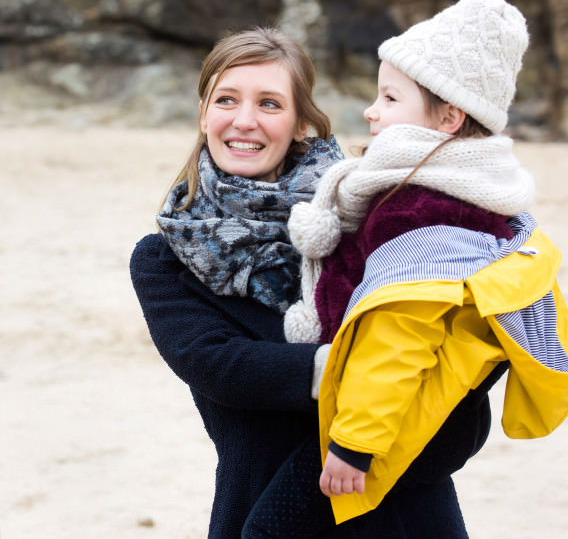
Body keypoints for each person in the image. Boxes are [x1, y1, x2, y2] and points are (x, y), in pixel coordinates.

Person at [248, 0, 568, 536]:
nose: (371, 111)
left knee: (268, 530)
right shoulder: (474, 195)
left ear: (449, 117)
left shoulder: (419, 212)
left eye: (389, 98)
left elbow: (395, 335)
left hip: (384, 422)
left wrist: (353, 445)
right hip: (410, 413)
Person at [130, 26, 495, 539]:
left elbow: (454, 402)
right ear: (203, 113)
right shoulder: (167, 258)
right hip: (261, 510)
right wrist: (354, 370)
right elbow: (219, 366)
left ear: (302, 123)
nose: (244, 120)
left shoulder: (379, 220)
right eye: (226, 99)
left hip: (403, 511)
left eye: (270, 104)